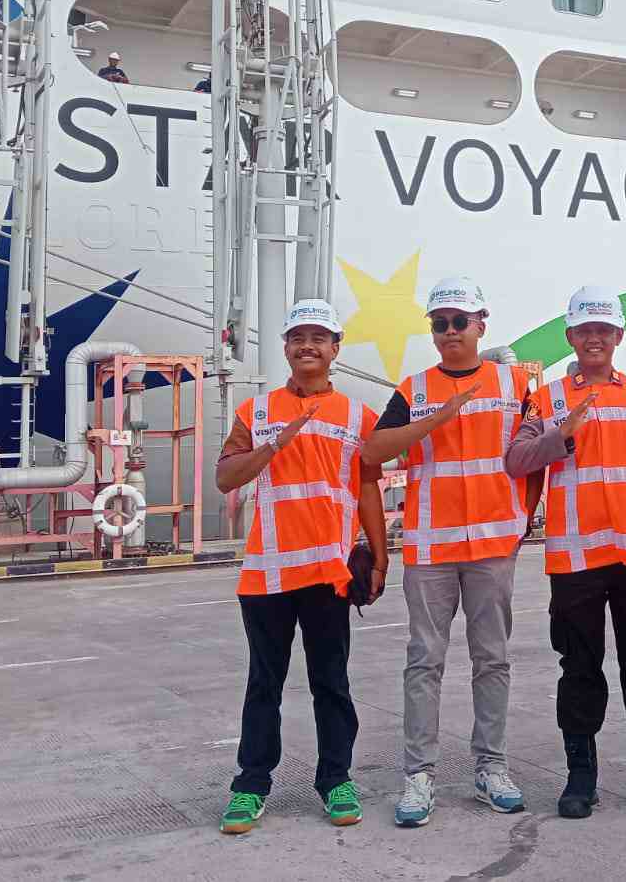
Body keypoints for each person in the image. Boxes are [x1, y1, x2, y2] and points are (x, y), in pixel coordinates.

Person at [502, 286, 626, 821]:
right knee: (579, 666)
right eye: (585, 331)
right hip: (575, 557)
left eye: (604, 331)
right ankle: (580, 776)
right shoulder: (547, 399)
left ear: (618, 337)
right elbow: (516, 460)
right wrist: (560, 435)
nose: (594, 339)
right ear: (571, 336)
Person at [360, 276, 534, 828]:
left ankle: (491, 768)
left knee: (492, 659)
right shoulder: (414, 390)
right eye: (440, 324)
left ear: (481, 324)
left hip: (492, 547)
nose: (450, 331)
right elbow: (372, 451)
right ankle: (419, 775)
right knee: (424, 661)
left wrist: (521, 520)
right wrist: (435, 419)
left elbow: (537, 456)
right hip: (432, 548)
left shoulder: (515, 384)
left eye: (460, 321)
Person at [214, 299, 389, 834]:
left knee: (330, 682)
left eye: (318, 338)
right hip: (267, 574)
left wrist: (380, 557)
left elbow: (367, 489)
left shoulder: (358, 416)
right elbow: (225, 478)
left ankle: (336, 779)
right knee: (263, 684)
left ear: (335, 349)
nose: (307, 346)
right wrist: (271, 448)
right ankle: (250, 785)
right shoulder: (256, 412)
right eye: (298, 337)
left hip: (328, 574)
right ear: (286, 347)